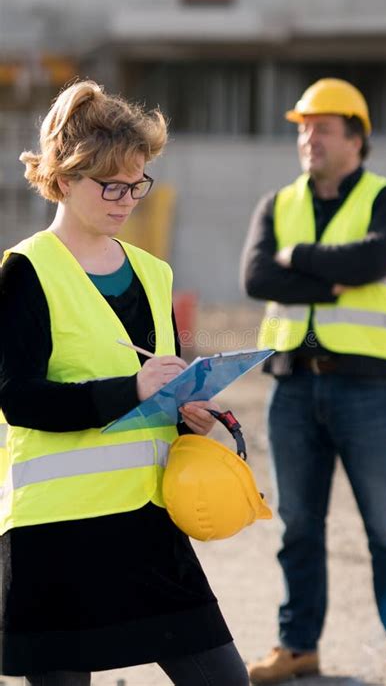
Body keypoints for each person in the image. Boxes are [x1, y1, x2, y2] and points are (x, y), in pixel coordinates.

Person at [0, 80, 249, 686]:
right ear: (62, 179)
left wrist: (182, 406)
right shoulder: (25, 270)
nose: (127, 198)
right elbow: (17, 400)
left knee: (224, 679)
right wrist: (130, 392)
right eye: (111, 185)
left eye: (137, 183)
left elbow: (155, 382)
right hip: (56, 533)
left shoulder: (153, 273)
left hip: (147, 520)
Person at [241, 78, 386, 686]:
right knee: (298, 527)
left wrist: (293, 258)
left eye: (322, 127)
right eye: (303, 127)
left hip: (367, 390)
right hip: (292, 387)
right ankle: (298, 646)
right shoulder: (277, 202)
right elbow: (254, 278)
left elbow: (372, 261)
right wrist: (328, 276)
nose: (308, 138)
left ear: (356, 137)